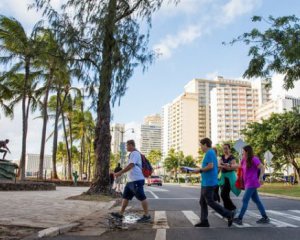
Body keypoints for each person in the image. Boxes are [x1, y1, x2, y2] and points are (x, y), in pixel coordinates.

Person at [184, 138, 235, 227]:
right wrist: (196, 170)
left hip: (209, 182)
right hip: (206, 182)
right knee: (202, 202)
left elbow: (210, 166)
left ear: (205, 145)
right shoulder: (209, 153)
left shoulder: (210, 152)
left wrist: (199, 170)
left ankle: (228, 214)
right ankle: (204, 221)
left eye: (201, 145)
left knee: (210, 201)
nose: (200, 147)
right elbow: (211, 165)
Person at [111, 140, 150, 223]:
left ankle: (147, 215)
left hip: (136, 180)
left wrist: (120, 172)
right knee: (125, 197)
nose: (126, 147)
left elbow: (131, 165)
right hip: (130, 181)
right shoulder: (132, 154)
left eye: (127, 146)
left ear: (132, 145)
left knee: (142, 197)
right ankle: (120, 214)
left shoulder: (135, 153)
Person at [233, 145, 270, 225]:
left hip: (252, 183)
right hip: (247, 183)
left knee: (245, 200)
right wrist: (229, 166)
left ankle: (239, 218)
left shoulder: (254, 159)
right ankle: (265, 217)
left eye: (243, 151)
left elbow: (262, 167)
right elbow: (239, 166)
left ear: (247, 151)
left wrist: (261, 177)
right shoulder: (243, 159)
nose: (242, 152)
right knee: (256, 200)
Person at [218, 144, 240, 211]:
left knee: (224, 194)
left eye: (226, 148)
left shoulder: (232, 157)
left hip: (229, 177)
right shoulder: (222, 156)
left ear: (229, 149)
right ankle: (227, 209)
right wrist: (225, 166)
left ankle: (232, 208)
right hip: (222, 177)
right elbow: (219, 165)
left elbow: (233, 168)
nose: (225, 150)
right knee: (224, 194)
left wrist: (224, 166)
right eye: (224, 148)